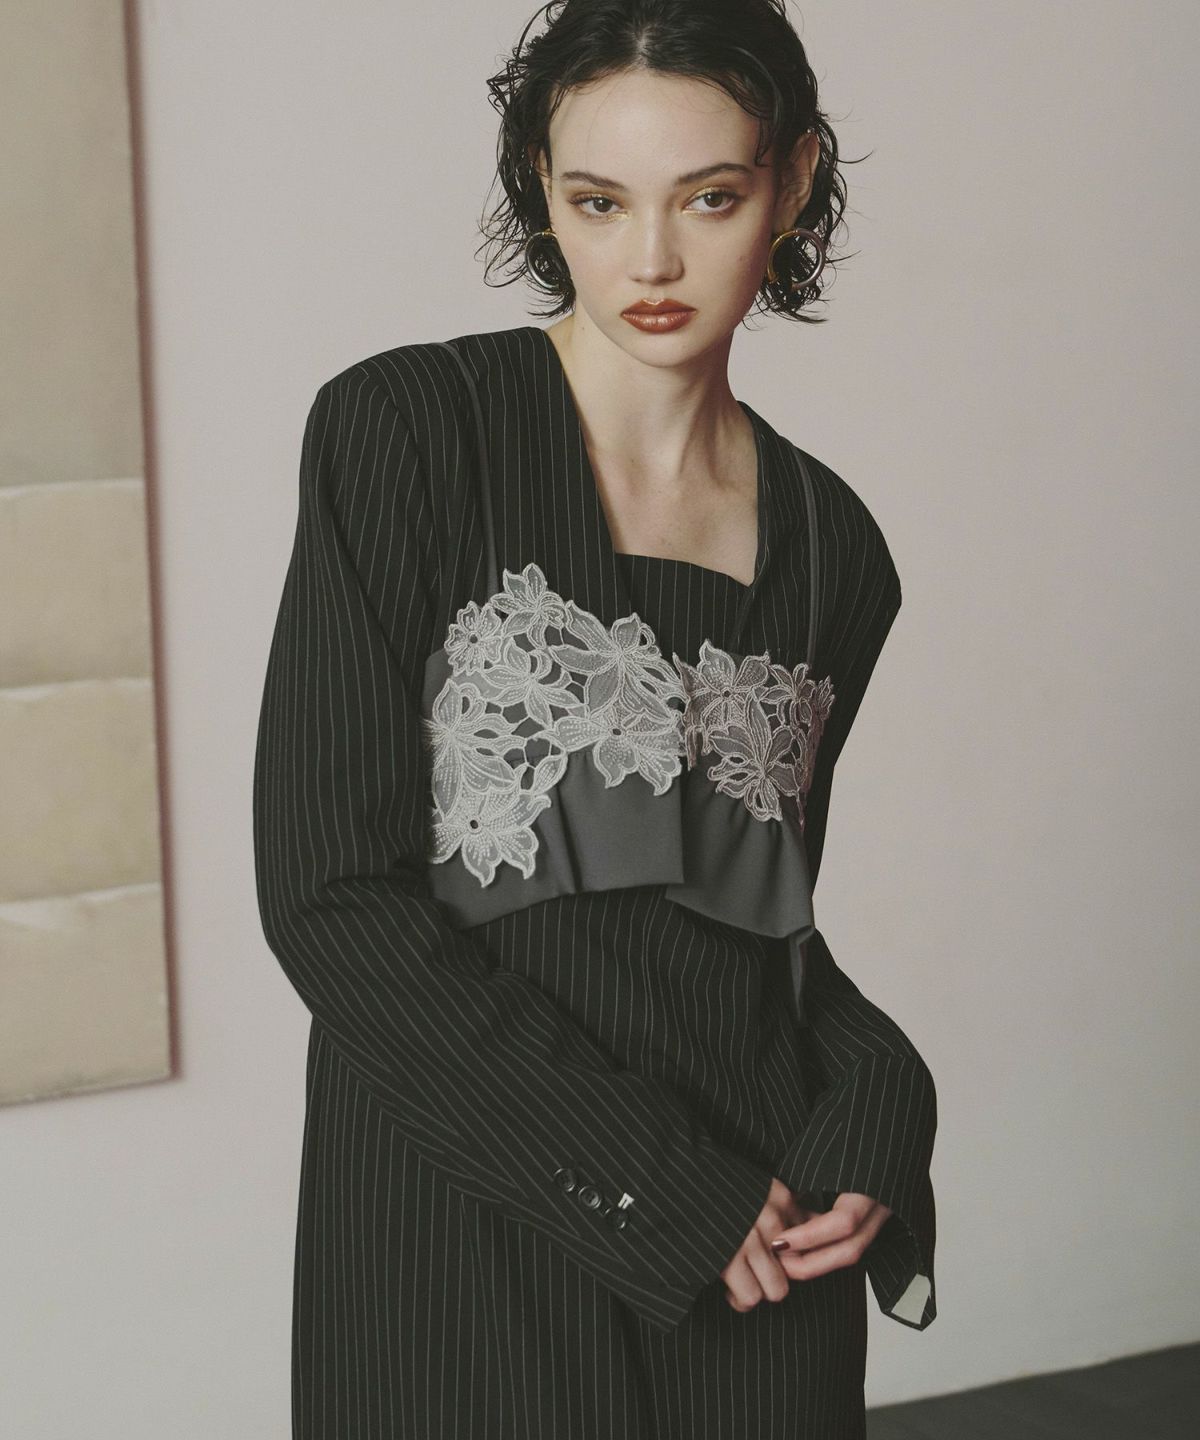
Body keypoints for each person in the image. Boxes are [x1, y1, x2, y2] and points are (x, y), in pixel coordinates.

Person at [252, 2, 937, 1436]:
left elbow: (753, 922)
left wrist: (883, 1095)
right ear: (542, 191)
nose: (652, 260)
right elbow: (329, 893)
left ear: (795, 181)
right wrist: (650, 1182)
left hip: (766, 1242)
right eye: (600, 201)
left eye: (711, 196)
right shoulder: (411, 432)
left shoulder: (836, 549)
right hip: (468, 1228)